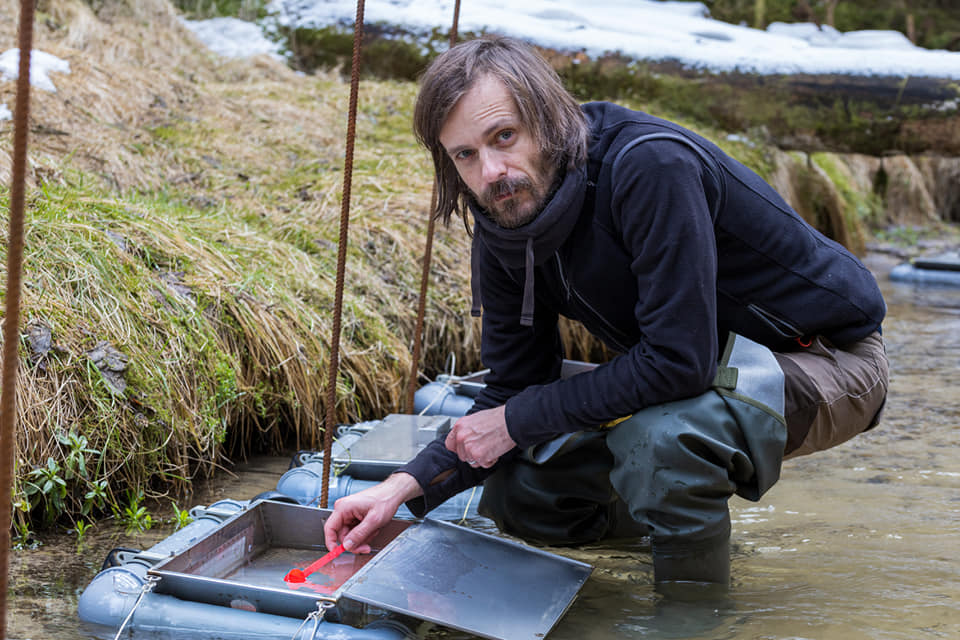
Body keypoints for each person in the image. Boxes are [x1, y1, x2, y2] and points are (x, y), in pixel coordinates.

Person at [323, 36, 888, 591]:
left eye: (504, 136)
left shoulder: (650, 167)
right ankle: (679, 541)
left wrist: (519, 420)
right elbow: (513, 387)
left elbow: (677, 363)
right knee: (522, 489)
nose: (492, 171)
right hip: (698, 364)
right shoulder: (502, 221)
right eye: (465, 154)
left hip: (824, 356)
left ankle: (691, 619)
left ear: (546, 119)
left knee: (666, 441)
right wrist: (403, 487)